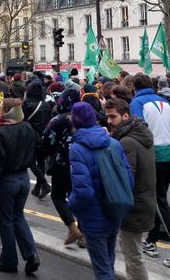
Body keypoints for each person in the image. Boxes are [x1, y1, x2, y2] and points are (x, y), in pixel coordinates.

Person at [130, 73, 170, 270]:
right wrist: (164, 139)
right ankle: (152, 240)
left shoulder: (137, 102)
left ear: (134, 87)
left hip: (151, 156)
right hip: (167, 155)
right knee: (157, 199)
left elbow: (137, 128)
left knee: (159, 203)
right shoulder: (164, 102)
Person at [68, 102, 132, 280]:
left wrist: (71, 205)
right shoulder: (113, 143)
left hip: (92, 216)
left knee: (102, 268)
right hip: (114, 210)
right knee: (108, 261)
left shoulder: (77, 149)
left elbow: (83, 191)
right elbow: (128, 178)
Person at [0, 98, 40, 275]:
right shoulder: (27, 127)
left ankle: (9, 260)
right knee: (18, 217)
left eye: (1, 108)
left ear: (7, 111)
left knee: (7, 221)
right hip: (23, 177)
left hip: (8, 180)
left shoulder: (2, 133)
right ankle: (31, 255)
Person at [105, 97, 156, 280]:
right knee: (132, 254)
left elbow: (126, 181)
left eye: (113, 117)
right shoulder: (140, 134)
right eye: (108, 117)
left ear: (126, 116)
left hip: (133, 207)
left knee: (133, 256)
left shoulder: (127, 143)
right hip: (143, 203)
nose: (109, 121)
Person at [42, 88, 85, 247]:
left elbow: (46, 140)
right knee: (78, 197)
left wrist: (50, 153)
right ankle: (84, 234)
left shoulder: (58, 119)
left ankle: (72, 227)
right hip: (82, 163)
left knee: (58, 197)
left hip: (62, 163)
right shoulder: (85, 116)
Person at [23, 80, 52, 199]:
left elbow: (22, 120)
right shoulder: (46, 104)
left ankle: (44, 184)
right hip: (44, 136)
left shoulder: (27, 105)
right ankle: (37, 187)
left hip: (31, 136)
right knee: (40, 162)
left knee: (29, 161)